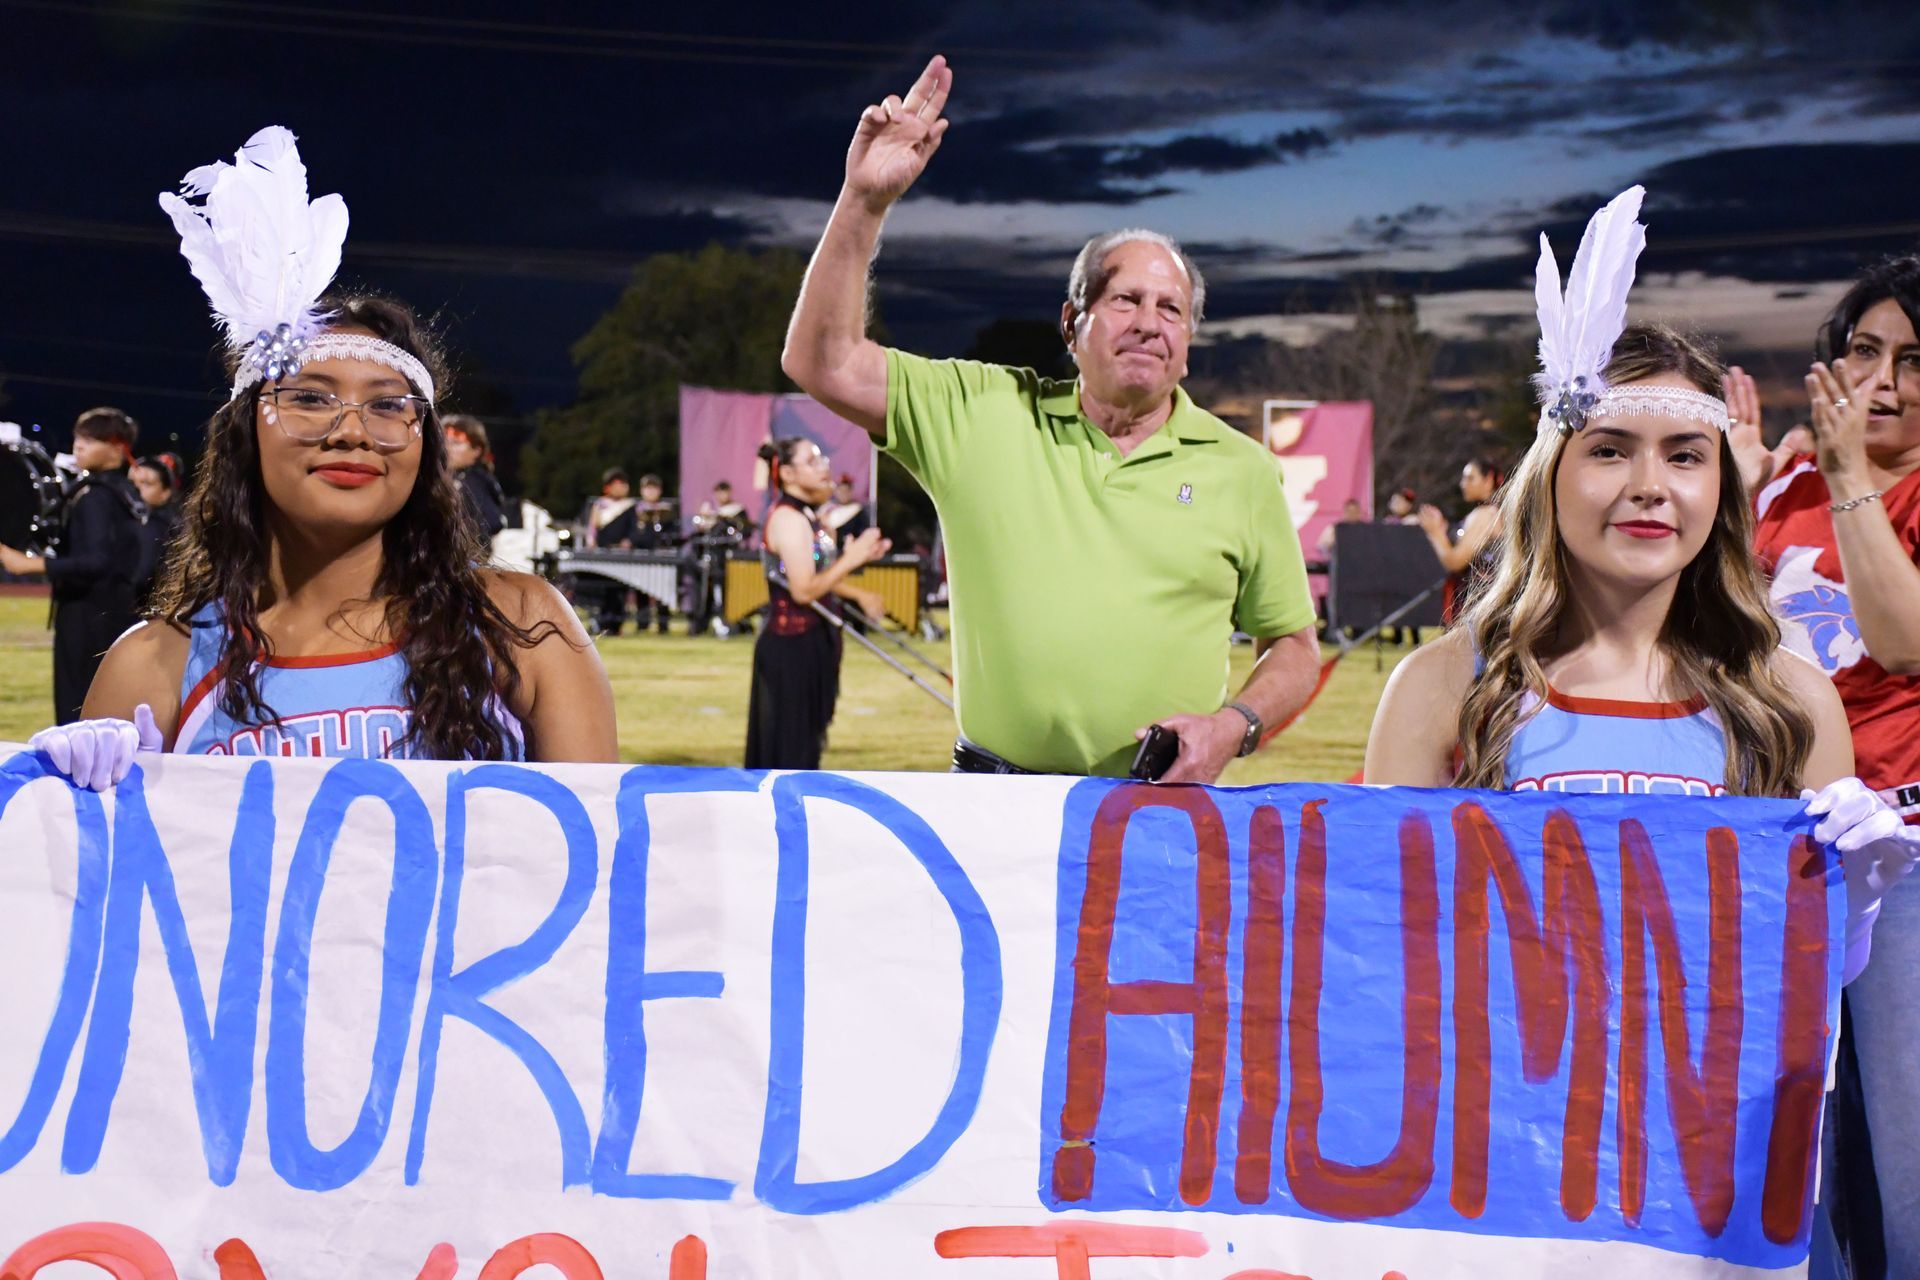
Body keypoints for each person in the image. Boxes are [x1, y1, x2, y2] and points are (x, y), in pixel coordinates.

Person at [779, 55, 1321, 780]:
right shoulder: (982, 411)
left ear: (1188, 345)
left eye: (1171, 310)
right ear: (1073, 322)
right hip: (993, 813)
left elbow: (1293, 647)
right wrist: (862, 202)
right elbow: (824, 362)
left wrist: (1235, 725)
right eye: (1125, 300)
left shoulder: (1242, 469)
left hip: (1158, 812)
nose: (1150, 323)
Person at [27, 126, 615, 782]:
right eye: (311, 397)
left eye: (389, 405)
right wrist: (69, 815)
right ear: (247, 433)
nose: (352, 430)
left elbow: (601, 861)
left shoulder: (522, 625)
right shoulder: (153, 665)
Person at [1751, 255, 1920, 1275]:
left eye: (1915, 358)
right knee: (1778, 1141)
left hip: (1905, 850)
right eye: (1865, 350)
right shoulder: (1790, 484)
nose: (1886, 380)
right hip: (1780, 854)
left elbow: (1902, 640)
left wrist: (1856, 478)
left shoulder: (1854, 482)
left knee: (1904, 1146)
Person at [744, 438, 890, 769]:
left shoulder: (808, 516)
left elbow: (819, 576)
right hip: (790, 648)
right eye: (812, 461)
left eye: (823, 458)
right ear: (790, 473)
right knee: (789, 754)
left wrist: (858, 590)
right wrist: (852, 559)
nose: (824, 466)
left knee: (807, 747)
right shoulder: (788, 519)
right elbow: (804, 590)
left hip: (812, 640)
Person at [0, 407, 147, 723]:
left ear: (118, 447)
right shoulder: (124, 491)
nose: (79, 445)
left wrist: (31, 565)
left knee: (76, 712)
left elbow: (97, 561)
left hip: (86, 616)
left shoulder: (96, 496)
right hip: (113, 612)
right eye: (79, 437)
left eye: (92, 439)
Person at [1417, 455, 1503, 622]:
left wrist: (1435, 533)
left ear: (1488, 480)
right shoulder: (1492, 512)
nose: (1463, 484)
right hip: (1486, 605)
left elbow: (1455, 561)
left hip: (1479, 608)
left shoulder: (1485, 515)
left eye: (1470, 478)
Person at [580, 466, 639, 635]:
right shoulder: (600, 505)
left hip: (622, 555)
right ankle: (601, 623)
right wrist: (590, 542)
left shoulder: (629, 507)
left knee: (619, 591)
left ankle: (616, 625)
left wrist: (629, 541)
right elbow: (592, 529)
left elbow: (634, 530)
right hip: (603, 554)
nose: (622, 488)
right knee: (602, 590)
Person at [443, 413, 507, 547]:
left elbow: (491, 523)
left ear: (476, 450)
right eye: (444, 441)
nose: (447, 448)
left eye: (456, 443)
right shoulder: (449, 478)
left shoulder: (475, 481)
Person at [130, 452, 185, 603]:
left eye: (147, 484)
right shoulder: (135, 520)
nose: (136, 490)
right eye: (131, 483)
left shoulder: (161, 526)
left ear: (166, 492)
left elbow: (142, 576)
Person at [631, 473, 677, 634]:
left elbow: (674, 533)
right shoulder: (635, 511)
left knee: (662, 590)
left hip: (661, 557)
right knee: (641, 590)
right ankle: (642, 624)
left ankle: (663, 625)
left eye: (654, 488)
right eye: (647, 488)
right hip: (641, 554)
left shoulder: (667, 511)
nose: (651, 492)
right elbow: (631, 533)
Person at [819, 474, 873, 549]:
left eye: (846, 491)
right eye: (841, 491)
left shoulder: (858, 511)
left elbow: (863, 533)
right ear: (836, 491)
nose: (843, 494)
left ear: (851, 492)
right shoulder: (828, 509)